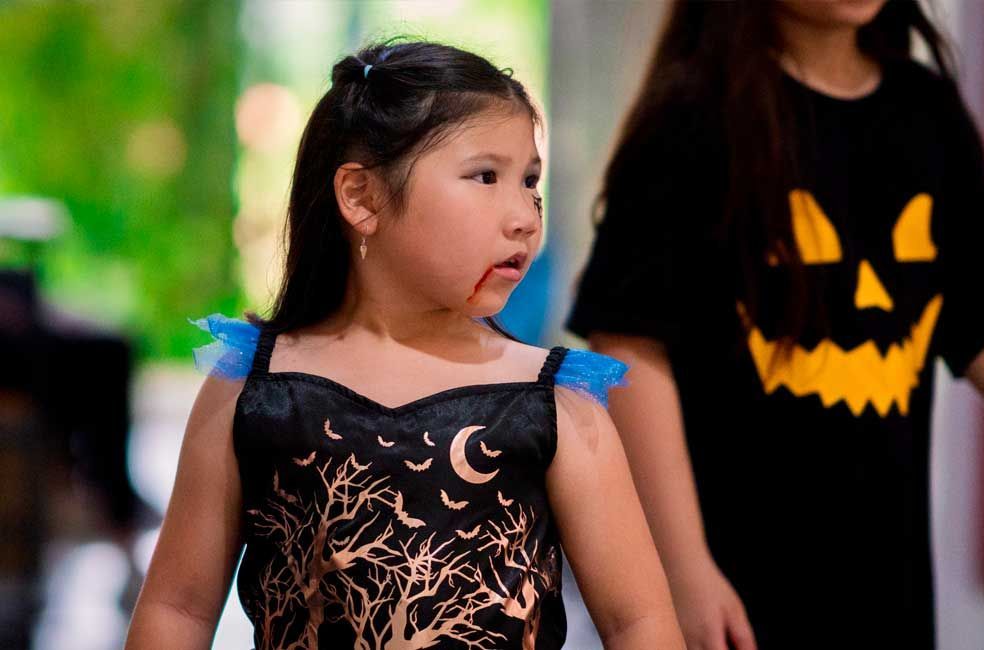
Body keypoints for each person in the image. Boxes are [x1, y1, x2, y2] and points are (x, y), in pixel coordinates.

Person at [125, 39, 685, 650]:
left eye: (530, 181)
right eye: (486, 176)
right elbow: (177, 609)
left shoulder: (554, 400)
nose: (525, 215)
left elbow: (638, 622)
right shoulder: (253, 388)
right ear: (361, 197)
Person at [567, 2, 984, 649]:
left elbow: (980, 321)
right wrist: (684, 571)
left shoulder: (928, 112)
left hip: (889, 582)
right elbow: (629, 344)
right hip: (734, 581)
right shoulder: (692, 116)